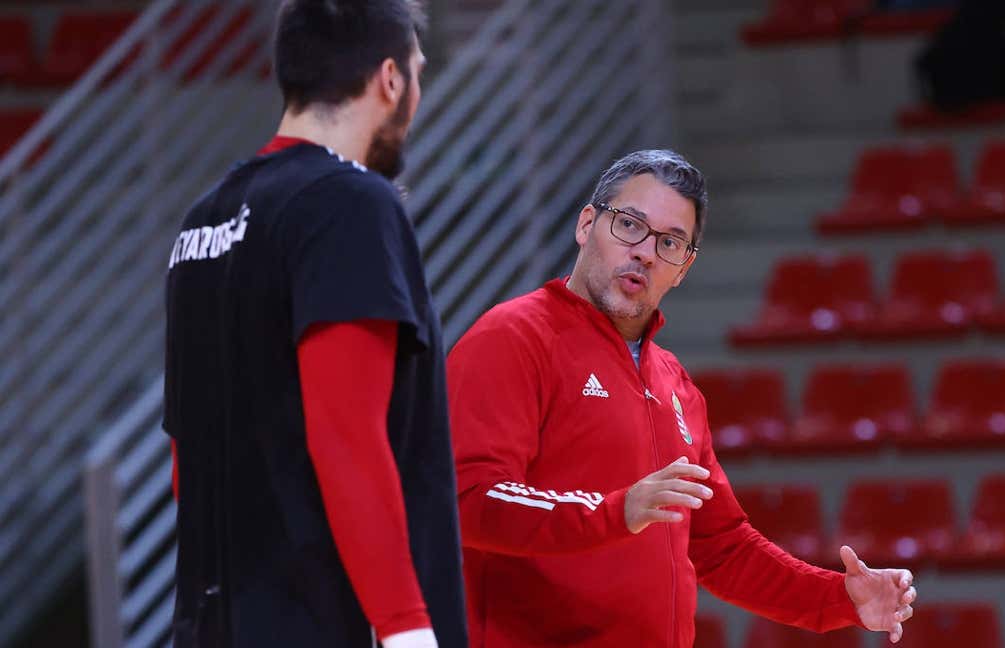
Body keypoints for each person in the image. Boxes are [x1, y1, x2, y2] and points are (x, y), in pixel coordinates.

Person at [447, 150, 917, 647]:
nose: (645, 252)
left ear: (684, 268)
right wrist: (616, 511)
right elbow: (468, 499)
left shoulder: (675, 382)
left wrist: (838, 599)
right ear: (587, 224)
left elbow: (722, 548)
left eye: (669, 243)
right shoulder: (512, 338)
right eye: (630, 225)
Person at [163, 2, 466, 647]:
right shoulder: (350, 204)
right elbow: (347, 435)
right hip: (330, 623)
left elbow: (185, 458)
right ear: (391, 80)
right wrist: (406, 627)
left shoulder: (202, 221)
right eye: (417, 72)